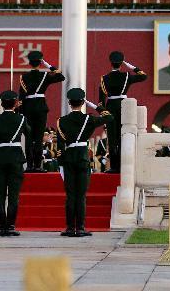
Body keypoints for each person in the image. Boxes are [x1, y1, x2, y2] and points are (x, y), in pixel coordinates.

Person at [57, 88, 114, 237]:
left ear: (69, 103)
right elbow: (109, 117)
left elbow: (59, 146)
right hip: (82, 157)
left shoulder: (61, 121)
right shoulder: (89, 120)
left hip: (69, 158)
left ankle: (70, 228)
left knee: (70, 195)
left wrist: (61, 162)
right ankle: (80, 228)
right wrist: (94, 105)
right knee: (81, 195)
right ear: (82, 103)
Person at [0, 90, 30, 237]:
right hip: (16, 158)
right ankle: (10, 226)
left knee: (0, 194)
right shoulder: (21, 119)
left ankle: (1, 227)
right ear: (16, 103)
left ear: (2, 104)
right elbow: (30, 134)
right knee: (14, 195)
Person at [99, 50, 147, 173]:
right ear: (121, 64)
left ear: (111, 63)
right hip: (124, 107)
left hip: (110, 108)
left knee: (112, 137)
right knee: (124, 136)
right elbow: (143, 76)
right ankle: (124, 165)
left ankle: (114, 167)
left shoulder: (104, 78)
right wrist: (131, 66)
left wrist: (104, 114)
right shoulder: (126, 76)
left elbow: (101, 102)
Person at [18, 50, 65, 172]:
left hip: (28, 109)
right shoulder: (45, 76)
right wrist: (47, 64)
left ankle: (29, 166)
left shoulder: (24, 77)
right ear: (40, 62)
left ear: (29, 62)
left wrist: (20, 112)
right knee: (38, 138)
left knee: (29, 138)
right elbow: (61, 76)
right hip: (41, 109)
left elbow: (21, 96)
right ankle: (38, 165)